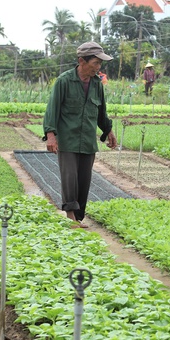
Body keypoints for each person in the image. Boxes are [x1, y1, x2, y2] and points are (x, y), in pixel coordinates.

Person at [43, 42, 118, 228]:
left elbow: (101, 113)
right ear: (81, 61)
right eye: (95, 63)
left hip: (87, 141)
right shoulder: (64, 81)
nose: (98, 67)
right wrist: (51, 136)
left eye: (100, 63)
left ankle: (78, 217)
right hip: (67, 139)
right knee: (70, 177)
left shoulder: (96, 84)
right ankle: (71, 217)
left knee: (84, 180)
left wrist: (108, 130)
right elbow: (52, 110)